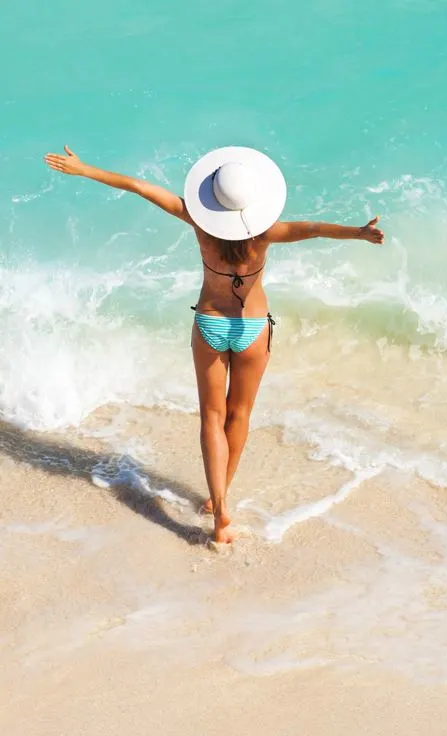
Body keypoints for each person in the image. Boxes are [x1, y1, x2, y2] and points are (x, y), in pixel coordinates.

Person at [44, 145, 384, 544]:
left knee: (210, 416)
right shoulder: (268, 234)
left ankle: (220, 509)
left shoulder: (199, 224)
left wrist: (85, 169)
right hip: (253, 327)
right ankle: (216, 497)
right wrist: (358, 233)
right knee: (238, 415)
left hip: (210, 322)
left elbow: (140, 187)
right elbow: (316, 229)